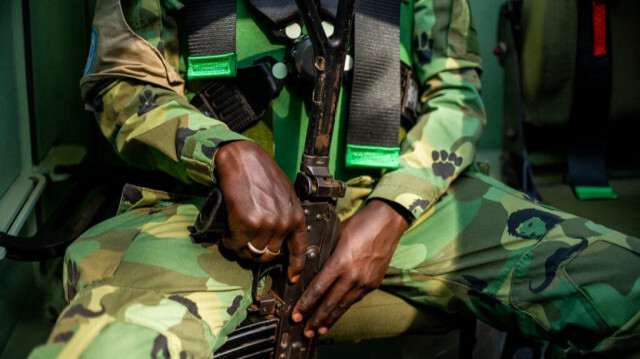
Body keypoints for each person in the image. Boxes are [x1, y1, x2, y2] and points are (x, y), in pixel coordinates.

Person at [30, 0, 640, 358]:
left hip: (395, 195)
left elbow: (455, 91)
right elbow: (121, 83)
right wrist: (224, 151)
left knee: (625, 286)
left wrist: (392, 211)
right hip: (203, 208)